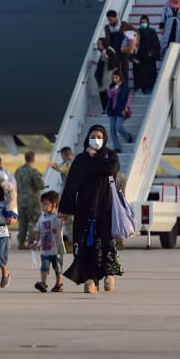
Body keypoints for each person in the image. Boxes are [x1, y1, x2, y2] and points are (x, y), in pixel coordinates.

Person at [59, 125, 123, 293]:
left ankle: (109, 274)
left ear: (105, 138)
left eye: (99, 136)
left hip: (106, 207)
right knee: (85, 243)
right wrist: (64, 208)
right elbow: (71, 184)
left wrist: (94, 159)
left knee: (106, 242)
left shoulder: (110, 155)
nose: (96, 139)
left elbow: (111, 170)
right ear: (88, 138)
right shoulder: (80, 159)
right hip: (85, 208)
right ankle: (90, 279)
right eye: (93, 136)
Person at [34, 190, 66, 293]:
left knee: (58, 268)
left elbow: (63, 222)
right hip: (45, 249)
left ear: (54, 205)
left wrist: (63, 217)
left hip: (56, 249)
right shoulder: (41, 218)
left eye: (45, 204)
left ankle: (59, 284)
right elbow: (38, 231)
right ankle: (43, 283)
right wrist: (36, 242)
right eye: (42, 204)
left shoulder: (57, 217)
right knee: (44, 266)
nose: (43, 206)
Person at [15, 151, 45, 250]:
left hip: (20, 200)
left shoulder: (18, 170)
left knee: (22, 221)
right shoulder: (33, 171)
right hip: (32, 200)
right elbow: (40, 185)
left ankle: (21, 242)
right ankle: (31, 242)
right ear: (33, 159)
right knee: (33, 221)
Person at [105, 71, 133, 153]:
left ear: (120, 77)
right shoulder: (112, 86)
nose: (114, 79)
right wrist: (116, 87)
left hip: (121, 110)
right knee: (112, 130)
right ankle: (116, 147)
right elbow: (109, 94)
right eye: (113, 77)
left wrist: (126, 108)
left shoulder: (125, 87)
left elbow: (128, 99)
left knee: (118, 127)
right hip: (112, 110)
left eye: (116, 77)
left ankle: (128, 136)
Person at [133, 14, 161, 94]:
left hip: (149, 58)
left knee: (149, 76)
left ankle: (149, 89)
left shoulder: (152, 32)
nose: (143, 24)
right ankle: (139, 89)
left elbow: (156, 45)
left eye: (144, 22)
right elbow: (133, 45)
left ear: (148, 22)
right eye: (141, 22)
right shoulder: (136, 32)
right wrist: (133, 57)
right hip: (139, 58)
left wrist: (151, 53)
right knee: (139, 75)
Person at [92, 38, 116, 114]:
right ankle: (105, 109)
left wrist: (107, 57)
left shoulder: (109, 50)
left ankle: (108, 109)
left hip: (108, 75)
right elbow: (103, 63)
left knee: (106, 92)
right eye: (98, 44)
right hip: (103, 75)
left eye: (101, 44)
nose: (99, 46)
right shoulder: (103, 51)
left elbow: (113, 62)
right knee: (102, 92)